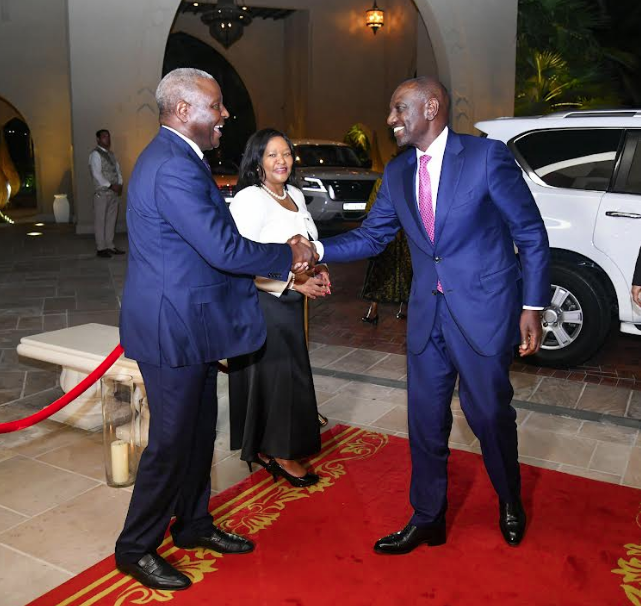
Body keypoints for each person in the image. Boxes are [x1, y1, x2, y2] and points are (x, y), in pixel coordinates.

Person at [314, 76, 550, 553]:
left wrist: (532, 306)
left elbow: (530, 232)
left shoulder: (486, 158)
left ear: (432, 107)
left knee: (487, 415)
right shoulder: (400, 173)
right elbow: (372, 237)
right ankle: (428, 517)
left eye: (399, 108)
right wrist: (314, 247)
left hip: (483, 312)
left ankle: (509, 499)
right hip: (427, 316)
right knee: (424, 421)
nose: (390, 120)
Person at [116, 68, 316, 591]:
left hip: (194, 323)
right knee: (171, 441)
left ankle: (193, 524)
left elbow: (212, 241)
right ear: (184, 110)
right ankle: (135, 547)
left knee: (200, 432)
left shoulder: (182, 158)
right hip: (171, 328)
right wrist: (287, 255)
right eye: (217, 105)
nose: (225, 114)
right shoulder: (172, 166)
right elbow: (223, 248)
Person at [228, 128, 329, 487]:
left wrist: (319, 268)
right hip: (263, 302)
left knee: (290, 374)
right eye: (272, 155)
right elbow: (240, 259)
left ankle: (274, 446)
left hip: (292, 303)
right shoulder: (249, 199)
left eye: (286, 153)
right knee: (280, 376)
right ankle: (279, 454)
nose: (281, 161)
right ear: (257, 161)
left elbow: (310, 241)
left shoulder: (296, 195)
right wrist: (293, 281)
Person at [360, 177, 412, 325]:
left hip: (408, 235)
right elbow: (372, 207)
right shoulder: (384, 180)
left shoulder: (417, 177)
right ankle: (374, 309)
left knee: (409, 270)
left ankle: (404, 307)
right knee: (380, 271)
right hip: (388, 234)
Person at [88, 129, 125, 257]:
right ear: (98, 139)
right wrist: (111, 186)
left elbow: (117, 171)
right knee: (100, 220)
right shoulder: (95, 154)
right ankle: (101, 248)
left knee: (111, 220)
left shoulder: (111, 155)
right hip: (102, 193)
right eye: (104, 137)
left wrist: (120, 184)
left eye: (108, 137)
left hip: (113, 192)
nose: (107, 139)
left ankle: (110, 245)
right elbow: (96, 174)